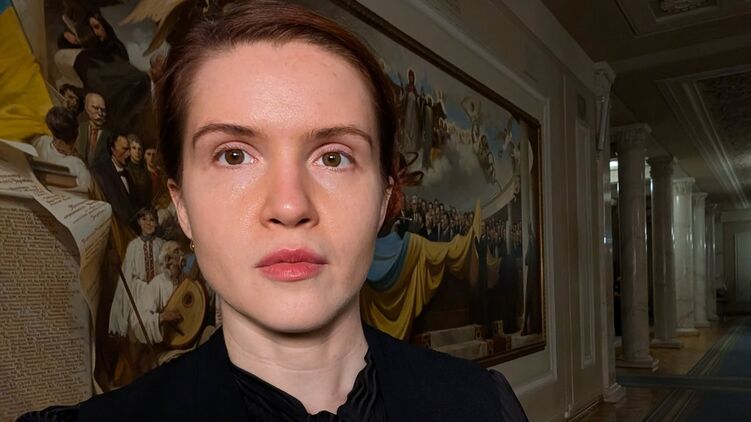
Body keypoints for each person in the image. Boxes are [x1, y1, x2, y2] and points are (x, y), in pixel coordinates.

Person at [20, 2, 527, 421]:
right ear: (182, 205)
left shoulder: (485, 406)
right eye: (233, 156)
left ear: (383, 199)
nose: (289, 205)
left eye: (333, 158)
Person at [31, 106, 92, 197]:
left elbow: (86, 191)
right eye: (55, 138)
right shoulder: (40, 142)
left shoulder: (77, 164)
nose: (56, 142)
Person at [91, 135, 136, 228]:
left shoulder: (128, 173)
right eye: (124, 149)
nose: (129, 154)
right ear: (113, 150)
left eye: (129, 149)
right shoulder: (101, 173)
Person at [76, 92, 113, 167]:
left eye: (103, 110)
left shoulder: (110, 136)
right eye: (95, 108)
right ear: (86, 108)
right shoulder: (77, 129)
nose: (100, 113)